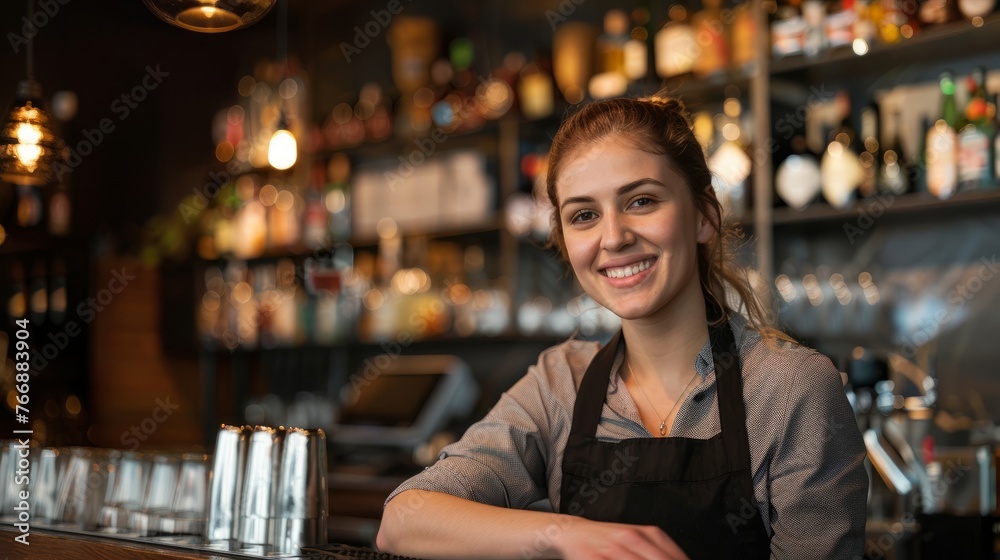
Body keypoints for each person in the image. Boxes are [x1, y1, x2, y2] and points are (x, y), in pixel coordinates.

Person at [376, 96, 869, 560]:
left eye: (641, 201)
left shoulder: (790, 389)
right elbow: (403, 519)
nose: (613, 237)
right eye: (584, 215)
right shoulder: (560, 384)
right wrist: (564, 536)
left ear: (704, 216)